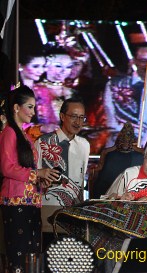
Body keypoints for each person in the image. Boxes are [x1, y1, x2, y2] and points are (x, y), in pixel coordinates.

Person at [0, 86, 59, 271]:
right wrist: (37, 174)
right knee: (19, 255)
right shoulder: (9, 133)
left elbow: (28, 170)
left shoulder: (26, 136)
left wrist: (42, 180)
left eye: (34, 107)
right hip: (16, 202)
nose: (34, 112)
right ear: (16, 108)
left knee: (32, 255)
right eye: (30, 107)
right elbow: (6, 168)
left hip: (31, 202)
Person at [35, 97, 90, 234]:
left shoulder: (84, 145)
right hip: (48, 206)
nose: (78, 122)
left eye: (82, 118)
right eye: (74, 116)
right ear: (62, 116)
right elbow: (32, 174)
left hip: (75, 209)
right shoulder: (43, 143)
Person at [90, 122, 144, 199]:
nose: (125, 142)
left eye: (128, 140)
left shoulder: (140, 155)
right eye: (123, 140)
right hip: (105, 195)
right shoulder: (108, 154)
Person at [33, 46, 75, 132]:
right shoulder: (35, 90)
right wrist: (43, 128)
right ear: (46, 66)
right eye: (58, 66)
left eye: (68, 67)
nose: (64, 71)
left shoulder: (71, 92)